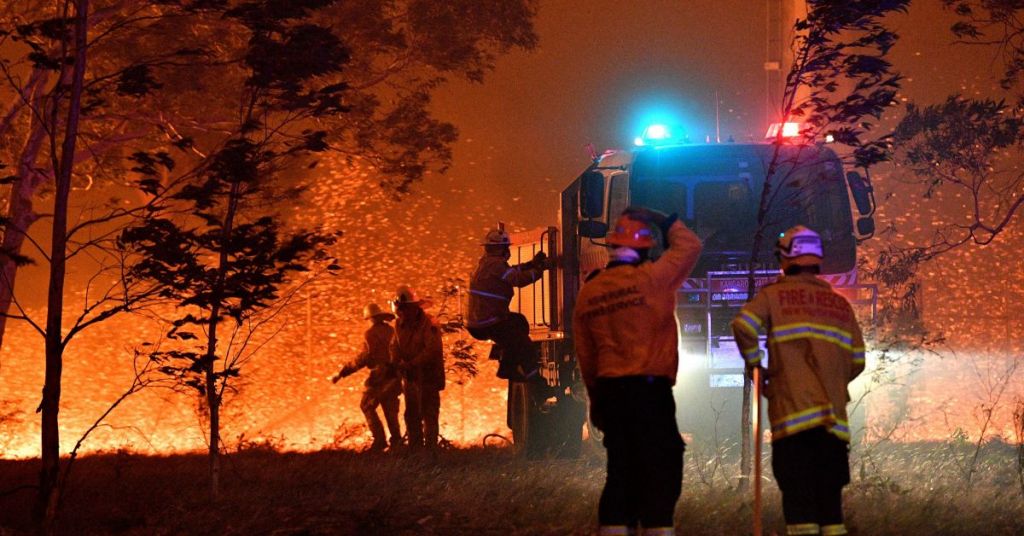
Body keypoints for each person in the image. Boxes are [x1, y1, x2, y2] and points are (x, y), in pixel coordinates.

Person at [573, 207, 702, 535]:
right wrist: (666, 220)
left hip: (611, 391)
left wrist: (596, 400)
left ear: (613, 246)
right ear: (645, 249)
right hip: (651, 391)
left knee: (621, 471)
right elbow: (690, 246)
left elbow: (586, 355)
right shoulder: (654, 278)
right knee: (662, 467)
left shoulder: (589, 292)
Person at [730, 225, 866, 536]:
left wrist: (756, 365)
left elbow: (743, 325)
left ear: (786, 258)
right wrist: (831, 379)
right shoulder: (840, 305)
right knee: (831, 511)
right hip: (833, 425)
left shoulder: (774, 297)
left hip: (793, 422)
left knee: (800, 508)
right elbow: (857, 361)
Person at [466, 226, 551, 381]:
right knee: (524, 345)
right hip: (489, 322)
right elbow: (518, 279)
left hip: (482, 321)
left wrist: (531, 264)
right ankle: (533, 380)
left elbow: (512, 272)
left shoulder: (487, 263)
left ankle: (507, 365)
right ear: (499, 248)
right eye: (505, 247)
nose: (507, 251)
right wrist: (539, 269)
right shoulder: (495, 265)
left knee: (519, 322)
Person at [331, 303, 402, 451]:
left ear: (370, 318)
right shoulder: (392, 330)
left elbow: (364, 357)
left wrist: (343, 372)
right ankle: (397, 443)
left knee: (366, 405)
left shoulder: (370, 334)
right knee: (390, 411)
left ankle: (380, 440)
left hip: (379, 377)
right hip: (394, 375)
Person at [390, 285, 446, 450]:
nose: (403, 312)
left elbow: (432, 349)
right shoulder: (399, 325)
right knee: (412, 415)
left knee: (429, 414)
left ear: (415, 307)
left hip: (428, 376)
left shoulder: (430, 323)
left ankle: (430, 452)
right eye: (401, 309)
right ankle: (415, 451)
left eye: (405, 308)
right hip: (411, 377)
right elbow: (394, 345)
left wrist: (411, 364)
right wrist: (395, 362)